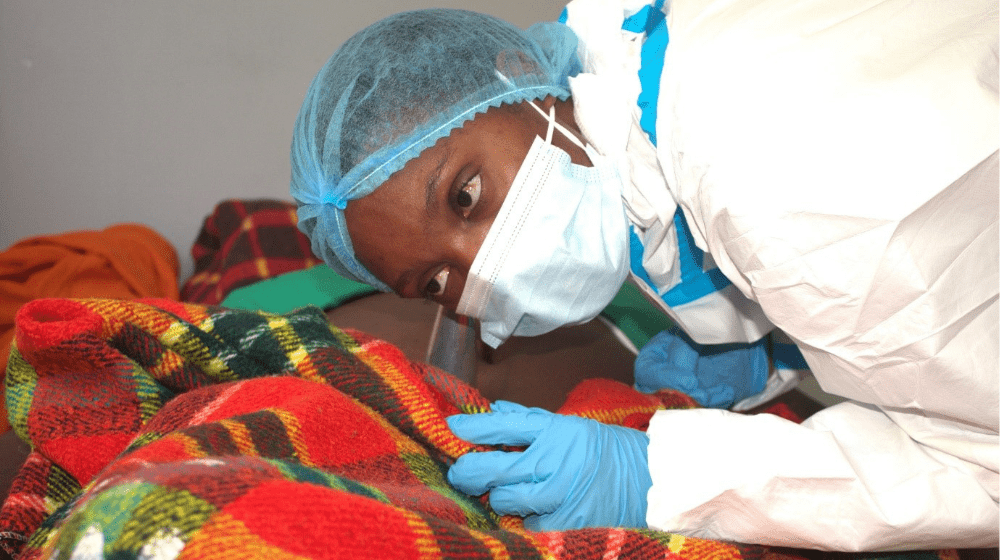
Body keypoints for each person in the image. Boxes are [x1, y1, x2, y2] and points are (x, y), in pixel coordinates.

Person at [289, 0, 999, 551]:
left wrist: (661, 476)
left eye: (466, 196)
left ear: (511, 76)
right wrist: (776, 339)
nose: (484, 266)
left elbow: (985, 469)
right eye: (438, 282)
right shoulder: (630, 81)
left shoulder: (765, 175)